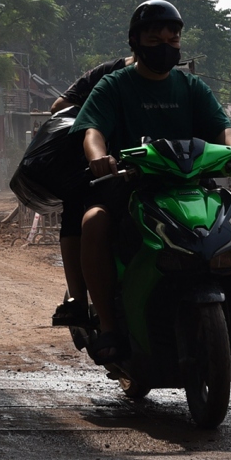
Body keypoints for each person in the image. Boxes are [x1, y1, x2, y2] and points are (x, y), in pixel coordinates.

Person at [70, 0, 231, 364]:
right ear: (136, 41)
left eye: (173, 38)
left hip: (190, 186)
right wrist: (98, 157)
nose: (166, 45)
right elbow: (92, 129)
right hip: (131, 186)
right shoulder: (115, 86)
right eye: (155, 38)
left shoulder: (190, 86)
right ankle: (108, 325)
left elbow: (223, 128)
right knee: (94, 221)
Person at [49, 55, 135, 328]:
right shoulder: (107, 79)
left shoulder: (178, 85)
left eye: (172, 40)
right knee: (80, 207)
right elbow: (59, 107)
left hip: (161, 169)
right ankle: (78, 298)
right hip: (108, 167)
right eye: (154, 40)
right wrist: (96, 115)